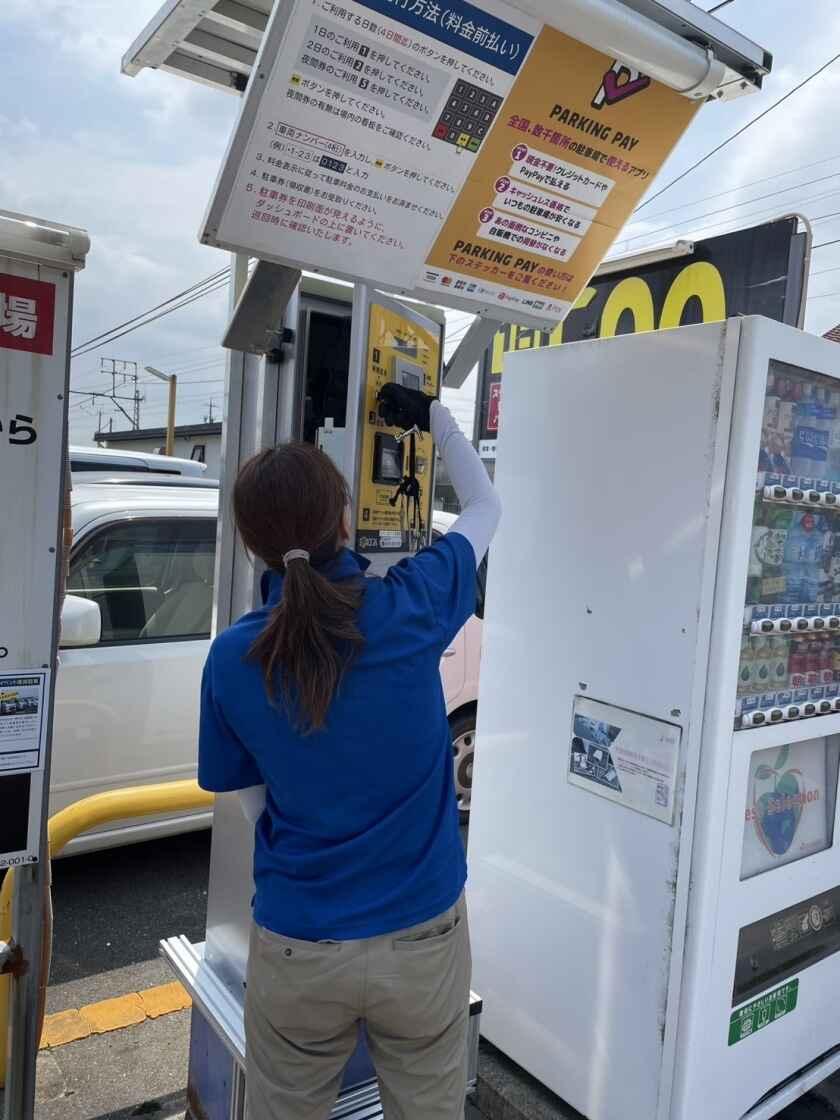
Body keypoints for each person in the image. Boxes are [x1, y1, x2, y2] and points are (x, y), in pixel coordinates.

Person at [198, 392, 501, 1120]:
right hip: (423, 936)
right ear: (342, 520)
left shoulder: (234, 657)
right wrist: (434, 417)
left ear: (250, 544)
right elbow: (486, 508)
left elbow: (246, 795)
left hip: (300, 940)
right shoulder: (409, 609)